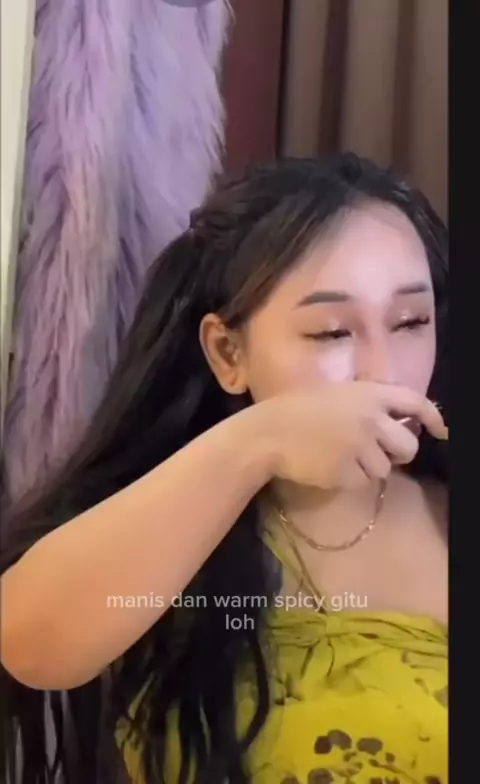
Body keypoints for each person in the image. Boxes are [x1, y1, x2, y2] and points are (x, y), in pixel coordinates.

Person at [1, 154, 448, 784]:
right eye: (330, 332)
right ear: (227, 352)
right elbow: (30, 644)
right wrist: (257, 440)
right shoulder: (176, 517)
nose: (383, 371)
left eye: (410, 322)